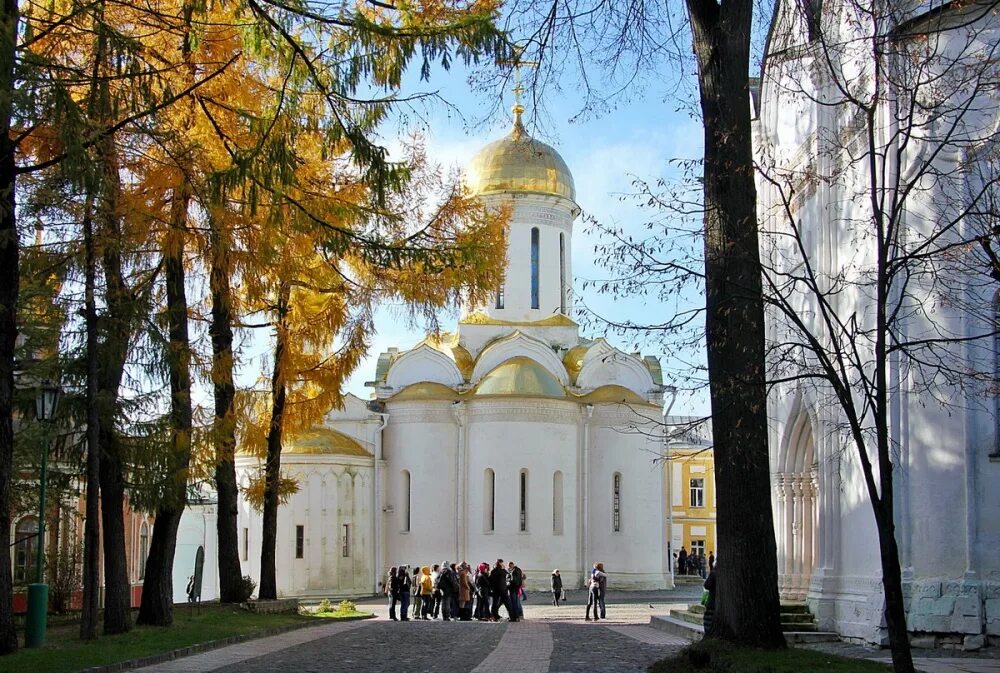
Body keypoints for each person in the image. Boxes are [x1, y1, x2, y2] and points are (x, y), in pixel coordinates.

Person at [703, 562, 717, 633]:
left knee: (708, 620)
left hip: (712, 602)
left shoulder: (714, 572)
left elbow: (706, 585)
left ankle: (709, 634)